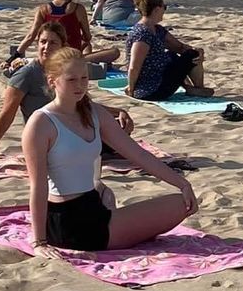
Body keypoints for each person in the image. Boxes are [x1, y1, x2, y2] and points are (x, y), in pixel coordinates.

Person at [23, 47, 197, 254]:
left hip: (93, 207)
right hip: (68, 220)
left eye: (84, 78)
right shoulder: (41, 122)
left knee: (182, 201)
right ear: (53, 81)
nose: (80, 86)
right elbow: (38, 185)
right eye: (71, 80)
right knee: (177, 206)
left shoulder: (93, 112)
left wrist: (182, 183)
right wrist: (39, 242)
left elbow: (137, 154)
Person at [0, 23, 130, 171]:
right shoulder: (26, 75)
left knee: (121, 126)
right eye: (43, 42)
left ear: (62, 46)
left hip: (71, 129)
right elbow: (6, 114)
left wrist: (117, 112)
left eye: (53, 43)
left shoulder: (64, 71)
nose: (46, 47)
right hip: (49, 139)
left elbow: (83, 104)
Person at [17, 0, 120, 66]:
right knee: (113, 52)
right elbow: (87, 36)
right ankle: (82, 61)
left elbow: (30, 37)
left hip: (50, 56)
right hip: (70, 57)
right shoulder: (77, 9)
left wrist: (15, 56)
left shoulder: (43, 10)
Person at [126, 0, 213, 99]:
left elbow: (180, 48)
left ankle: (193, 88)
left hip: (156, 81)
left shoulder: (157, 30)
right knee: (190, 55)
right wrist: (131, 89)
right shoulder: (143, 34)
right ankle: (198, 89)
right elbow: (134, 67)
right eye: (164, 7)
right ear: (157, 9)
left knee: (175, 55)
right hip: (152, 90)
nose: (164, 11)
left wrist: (199, 52)